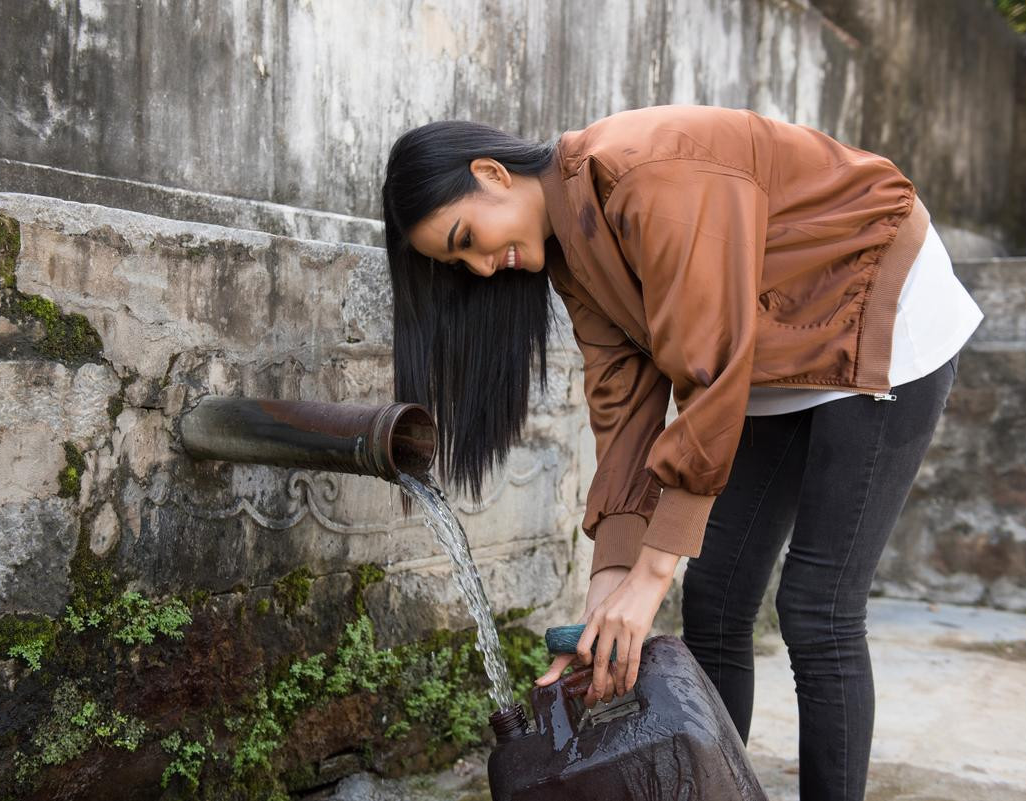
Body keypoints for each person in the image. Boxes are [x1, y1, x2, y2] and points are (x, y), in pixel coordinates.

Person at [380, 104, 983, 801]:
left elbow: (710, 366)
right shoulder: (573, 256)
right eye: (460, 262)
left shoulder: (649, 173)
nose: (482, 267)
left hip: (875, 315)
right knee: (719, 597)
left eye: (467, 238)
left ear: (491, 174)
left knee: (817, 607)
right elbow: (624, 410)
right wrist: (609, 586)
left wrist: (651, 574)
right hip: (767, 357)